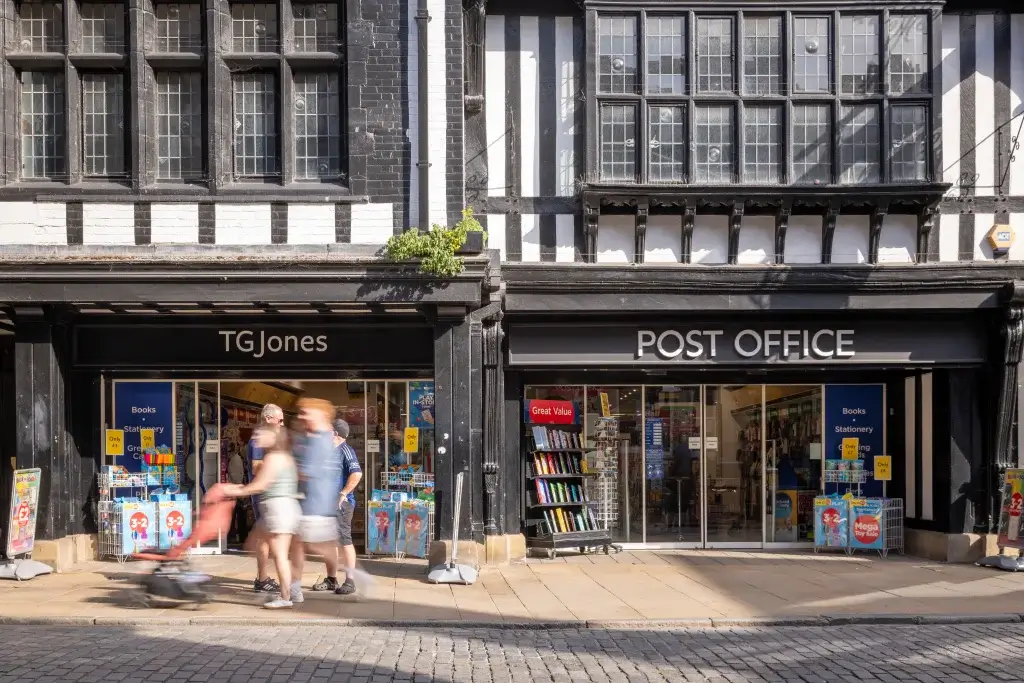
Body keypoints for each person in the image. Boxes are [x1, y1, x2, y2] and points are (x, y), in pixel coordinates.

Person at [222, 424, 301, 609]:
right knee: (264, 546)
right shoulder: (287, 458)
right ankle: (292, 591)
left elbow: (259, 485)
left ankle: (286, 596)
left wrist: (234, 490)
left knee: (279, 555)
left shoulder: (273, 458)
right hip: (287, 507)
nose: (257, 438)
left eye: (261, 435)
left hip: (276, 509)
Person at [289, 398, 343, 604]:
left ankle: (294, 589)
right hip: (316, 503)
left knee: (309, 546)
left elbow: (307, 472)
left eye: (306, 412)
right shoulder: (318, 438)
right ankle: (294, 588)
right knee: (305, 546)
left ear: (319, 415)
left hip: (314, 505)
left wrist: (284, 468)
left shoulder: (319, 441)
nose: (301, 416)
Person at [312, 419, 363, 595]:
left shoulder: (346, 451)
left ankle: (350, 581)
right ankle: (331, 579)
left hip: (341, 504)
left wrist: (343, 494)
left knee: (344, 541)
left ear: (335, 434)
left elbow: (357, 473)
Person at [246, 403, 284, 593]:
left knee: (270, 537)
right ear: (268, 419)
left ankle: (264, 578)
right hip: (262, 496)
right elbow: (256, 467)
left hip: (269, 495)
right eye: (280, 420)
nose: (282, 424)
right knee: (266, 538)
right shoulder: (258, 440)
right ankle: (262, 579)